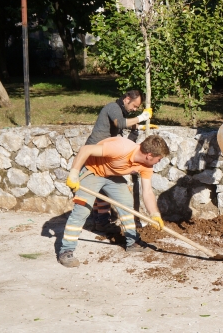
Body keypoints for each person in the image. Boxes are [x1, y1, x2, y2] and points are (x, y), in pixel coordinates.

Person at [58, 135, 170, 268]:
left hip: (112, 176)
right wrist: (74, 173)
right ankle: (66, 250)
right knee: (82, 210)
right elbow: (85, 150)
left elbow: (147, 191)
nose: (159, 161)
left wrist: (154, 214)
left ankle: (132, 242)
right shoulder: (120, 148)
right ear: (149, 155)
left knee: (127, 204)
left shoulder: (146, 165)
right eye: (159, 159)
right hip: (92, 171)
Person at [86, 90, 154, 233]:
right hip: (97, 151)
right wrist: (142, 117)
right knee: (101, 189)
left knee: (102, 189)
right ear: (127, 98)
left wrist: (140, 126)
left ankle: (101, 221)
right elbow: (120, 123)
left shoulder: (120, 110)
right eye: (134, 106)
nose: (134, 109)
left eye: (137, 108)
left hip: (106, 152)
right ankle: (101, 221)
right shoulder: (113, 107)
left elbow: (124, 124)